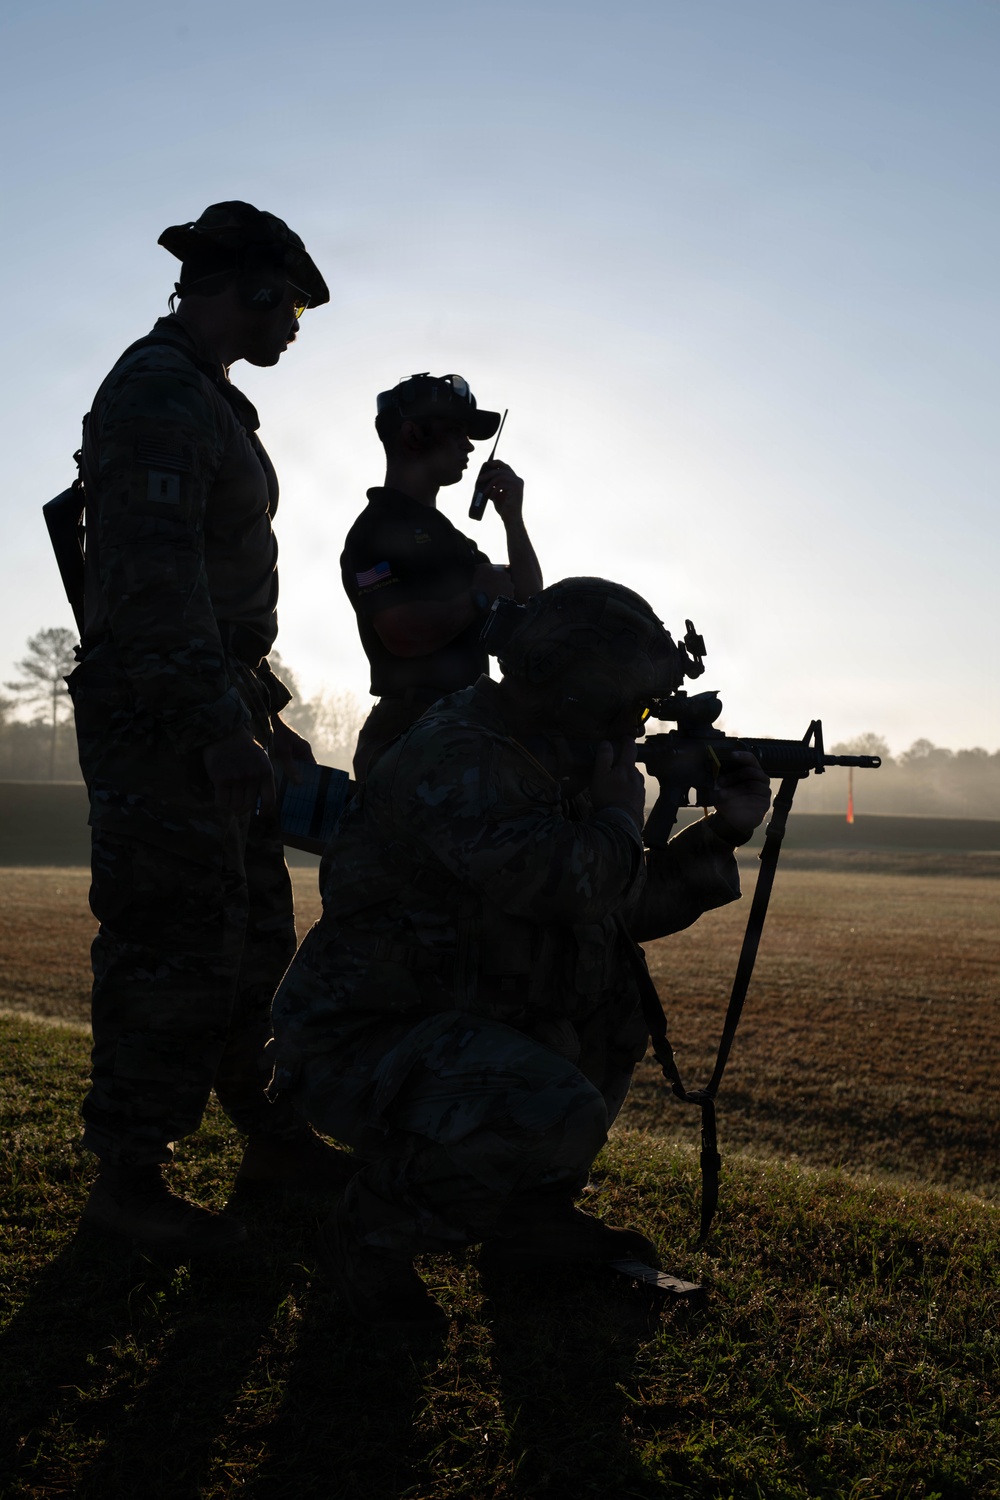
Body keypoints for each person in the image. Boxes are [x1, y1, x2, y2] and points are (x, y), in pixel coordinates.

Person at [268, 578, 772, 1328]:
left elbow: (611, 906)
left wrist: (722, 833)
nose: (636, 730)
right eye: (630, 709)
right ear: (573, 693)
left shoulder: (544, 756)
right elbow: (568, 883)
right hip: (358, 1040)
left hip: (438, 1019)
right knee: (550, 1106)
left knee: (608, 1002)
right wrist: (616, 810)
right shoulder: (464, 758)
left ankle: (531, 1222)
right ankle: (366, 1233)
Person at [68, 200, 352, 1258]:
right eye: (291, 309)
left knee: (253, 935)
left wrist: (258, 717)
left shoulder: (210, 400)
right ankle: (128, 1181)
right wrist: (210, 721)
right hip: (161, 718)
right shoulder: (157, 392)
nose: (293, 331)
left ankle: (269, 1137)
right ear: (256, 289)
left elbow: (210, 599)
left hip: (210, 701)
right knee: (166, 941)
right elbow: (153, 582)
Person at [340, 372, 543, 781]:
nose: (469, 446)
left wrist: (513, 520)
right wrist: (476, 598)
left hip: (466, 730)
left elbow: (528, 605)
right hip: (412, 736)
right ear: (413, 435)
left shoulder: (456, 543)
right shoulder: (374, 530)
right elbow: (400, 635)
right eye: (456, 432)